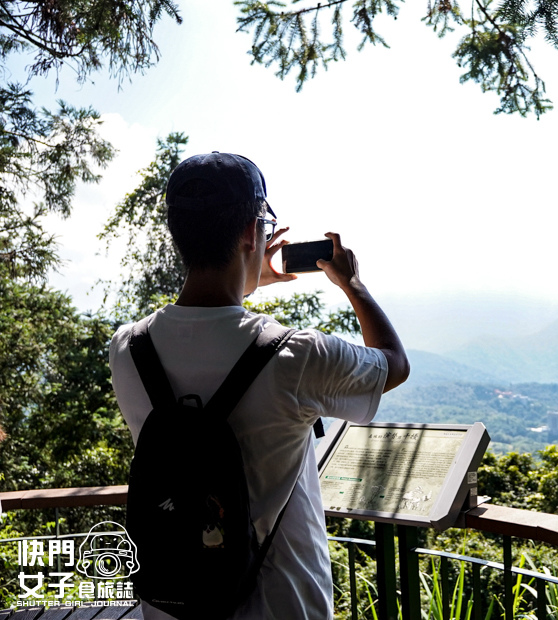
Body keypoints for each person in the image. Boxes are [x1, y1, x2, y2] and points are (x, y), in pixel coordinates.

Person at [109, 152, 409, 619]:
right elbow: (394, 363)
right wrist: (353, 285)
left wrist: (247, 276)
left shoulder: (129, 347)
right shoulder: (296, 356)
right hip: (282, 605)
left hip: (173, 604)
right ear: (252, 232)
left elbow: (210, 328)